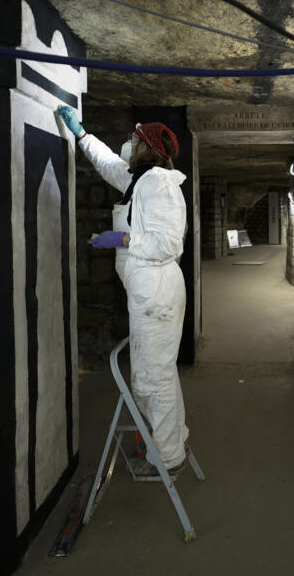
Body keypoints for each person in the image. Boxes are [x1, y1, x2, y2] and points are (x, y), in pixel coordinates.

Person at [57, 105, 189, 476]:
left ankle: (167, 459)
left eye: (132, 140)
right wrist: (81, 135)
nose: (126, 145)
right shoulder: (138, 180)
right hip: (150, 290)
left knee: (151, 378)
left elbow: (168, 244)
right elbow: (109, 165)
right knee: (159, 372)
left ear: (146, 147)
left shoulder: (158, 184)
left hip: (156, 291)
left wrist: (123, 238)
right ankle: (173, 443)